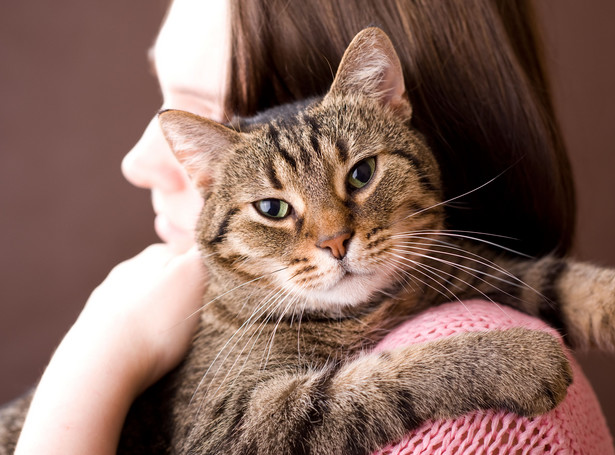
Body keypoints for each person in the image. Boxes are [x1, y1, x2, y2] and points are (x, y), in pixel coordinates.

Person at [11, 0, 613, 453]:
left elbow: (515, 283)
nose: (333, 237)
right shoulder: (216, 324)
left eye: (359, 177)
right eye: (274, 209)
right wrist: (97, 358)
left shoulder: (479, 428)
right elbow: (226, 438)